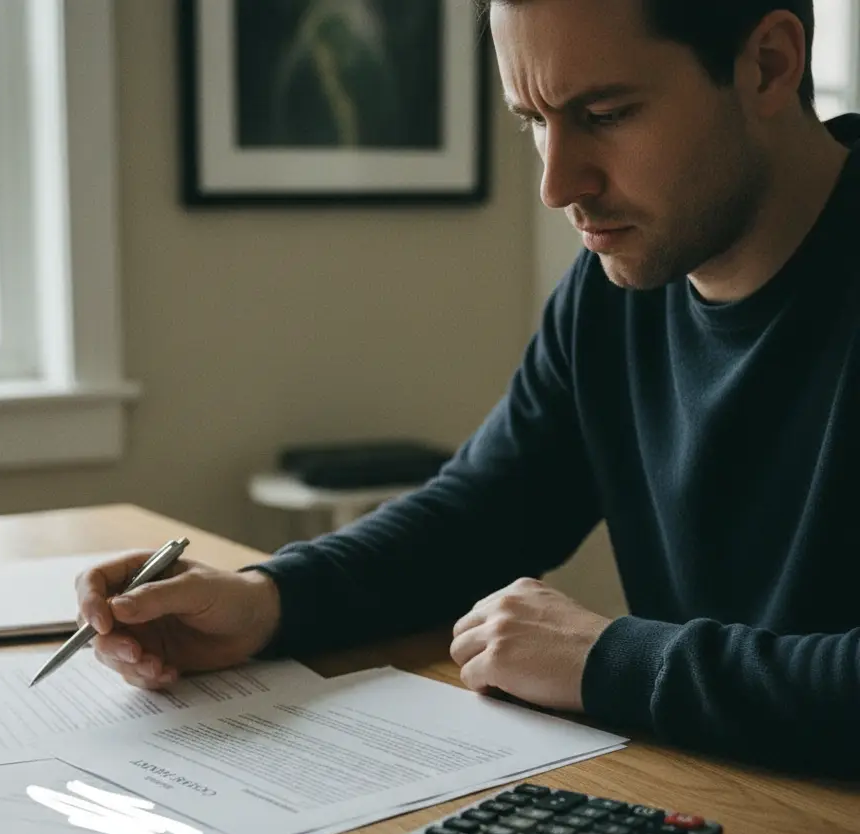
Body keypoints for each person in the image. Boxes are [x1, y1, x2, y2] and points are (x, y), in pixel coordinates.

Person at [78, 0, 859, 777]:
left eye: (607, 113)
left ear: (769, 65)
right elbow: (480, 515)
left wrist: (611, 659)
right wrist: (267, 599)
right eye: (534, 122)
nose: (557, 184)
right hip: (735, 800)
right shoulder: (609, 295)